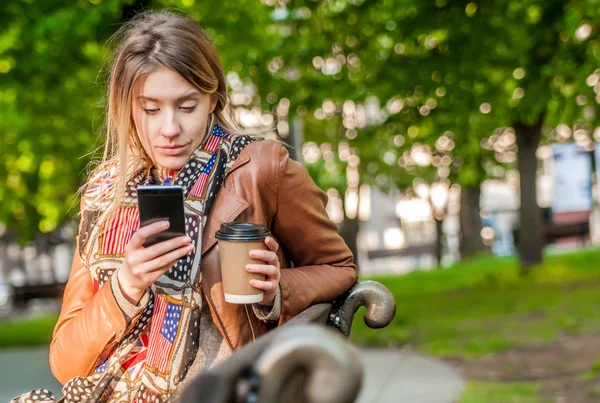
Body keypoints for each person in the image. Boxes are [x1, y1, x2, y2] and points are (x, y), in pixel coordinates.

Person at [11, 9, 357, 403]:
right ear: (127, 107)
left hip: (219, 390)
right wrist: (125, 286)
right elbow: (66, 364)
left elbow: (339, 268)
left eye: (187, 106)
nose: (169, 129)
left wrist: (276, 290)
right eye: (151, 109)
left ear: (213, 98)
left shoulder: (262, 169)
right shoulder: (103, 194)